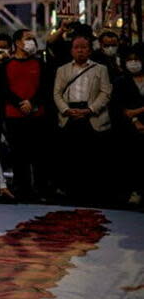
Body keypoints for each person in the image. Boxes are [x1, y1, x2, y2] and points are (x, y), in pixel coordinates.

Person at [53, 34, 112, 202]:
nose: (80, 50)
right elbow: (57, 93)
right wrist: (66, 110)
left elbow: (106, 93)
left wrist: (90, 110)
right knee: (71, 157)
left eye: (84, 47)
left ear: (90, 50)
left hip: (92, 116)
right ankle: (71, 194)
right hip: (69, 115)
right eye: (77, 47)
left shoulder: (100, 69)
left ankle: (93, 194)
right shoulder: (62, 70)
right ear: (71, 50)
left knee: (93, 157)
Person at [2, 29, 53, 201]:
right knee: (18, 155)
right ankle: (22, 189)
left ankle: (41, 189)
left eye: (32, 38)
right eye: (27, 38)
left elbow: (45, 87)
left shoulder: (40, 63)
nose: (31, 41)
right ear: (17, 42)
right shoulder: (6, 65)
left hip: (37, 115)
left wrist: (32, 102)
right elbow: (4, 90)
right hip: (14, 116)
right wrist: (20, 103)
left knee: (40, 155)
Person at [113, 44, 144, 206]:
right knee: (133, 161)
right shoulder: (121, 82)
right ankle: (134, 191)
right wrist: (135, 119)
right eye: (130, 60)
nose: (133, 63)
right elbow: (120, 107)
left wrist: (137, 111)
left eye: (137, 60)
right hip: (129, 129)